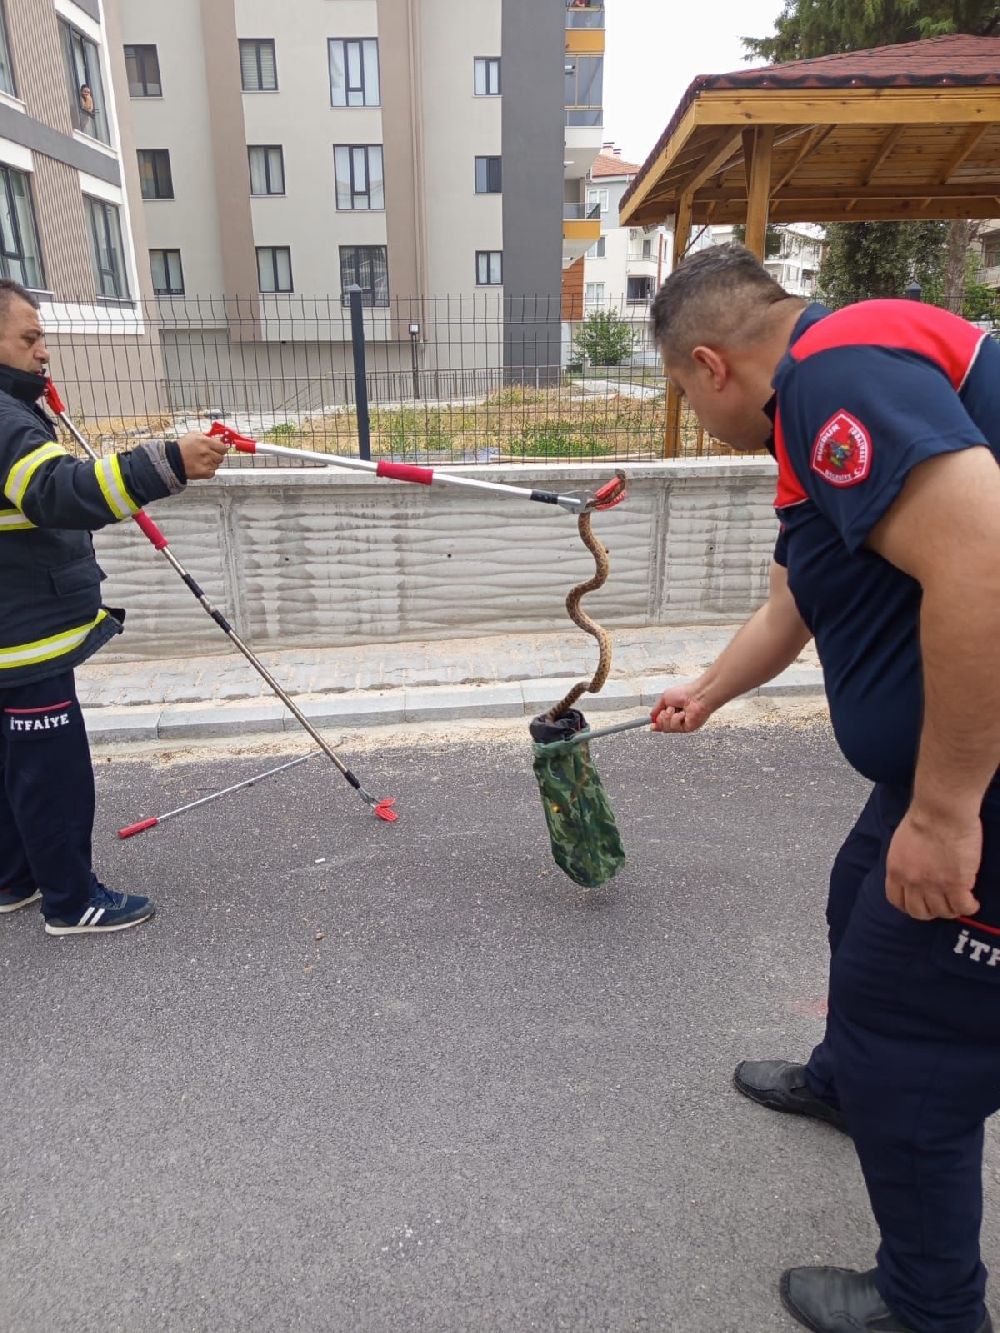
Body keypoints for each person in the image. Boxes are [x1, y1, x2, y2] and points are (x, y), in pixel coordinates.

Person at [648, 243, 1000, 1333]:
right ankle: (848, 1080)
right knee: (859, 895)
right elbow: (796, 602)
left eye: (676, 392)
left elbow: (985, 558)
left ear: (709, 365)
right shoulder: (825, 404)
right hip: (931, 772)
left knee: (917, 1038)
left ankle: (929, 1307)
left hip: (977, 786)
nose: (689, 409)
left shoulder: (835, 376)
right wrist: (708, 689)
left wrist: (945, 814)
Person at [0, 279, 228, 935]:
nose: (44, 351)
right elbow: (55, 490)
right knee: (51, 774)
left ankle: (15, 878)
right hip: (26, 637)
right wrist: (166, 464)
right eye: (30, 338)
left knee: (12, 766)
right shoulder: (5, 421)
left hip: (13, 633)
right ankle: (71, 901)